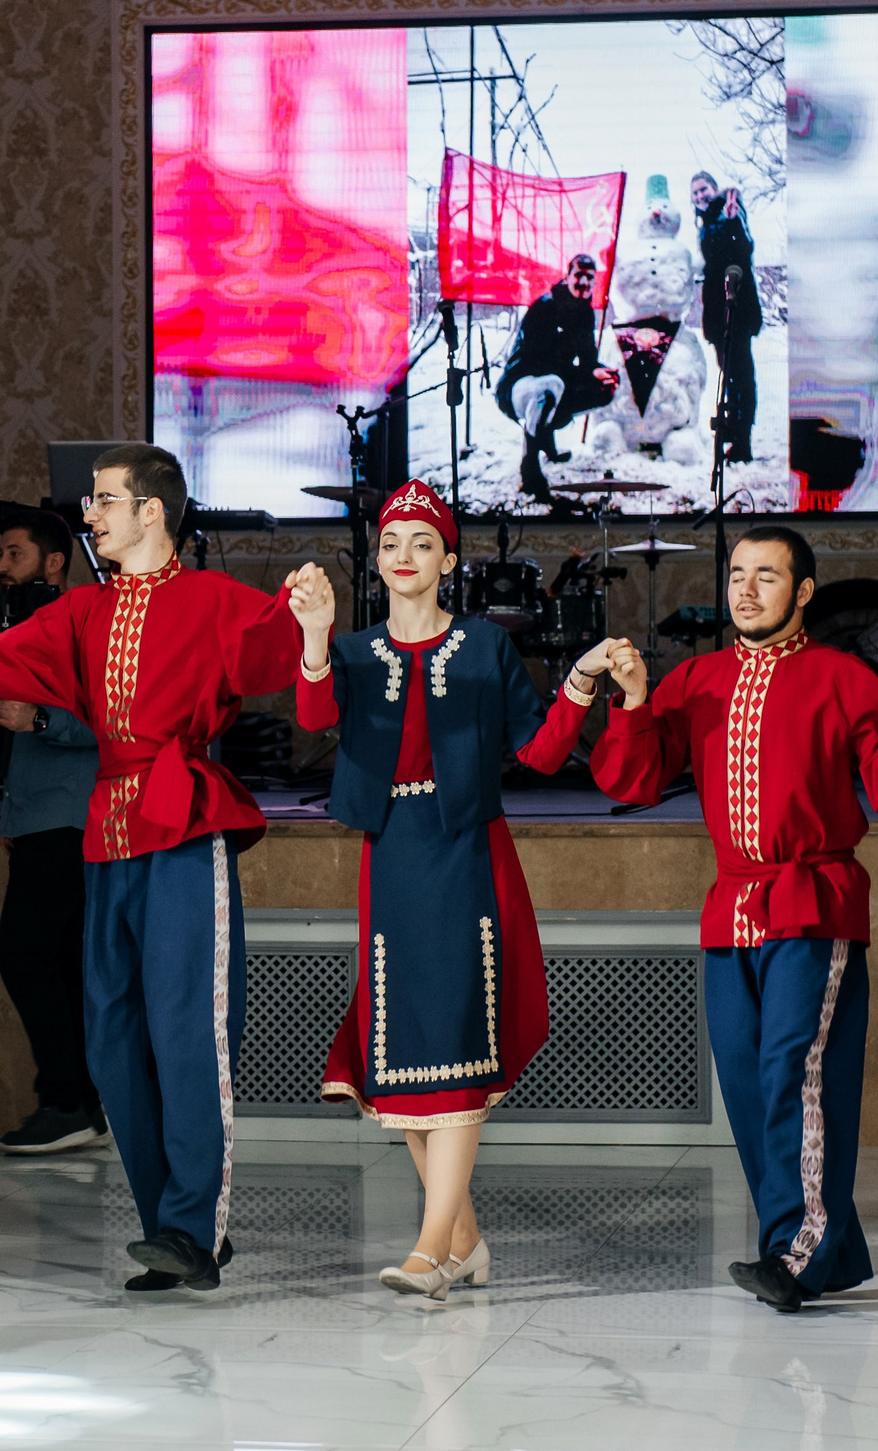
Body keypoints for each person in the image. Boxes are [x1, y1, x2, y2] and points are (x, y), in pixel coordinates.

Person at [0, 443, 314, 1292]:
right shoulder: (84, 611)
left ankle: (195, 1226)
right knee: (114, 1041)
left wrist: (310, 616)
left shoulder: (214, 599)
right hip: (107, 830)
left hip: (182, 821)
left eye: (106, 499)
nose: (91, 513)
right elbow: (11, 661)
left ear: (153, 511)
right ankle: (167, 1230)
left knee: (188, 1032)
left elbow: (272, 655)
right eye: (92, 501)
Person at [590, 523, 878, 1313]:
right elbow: (633, 776)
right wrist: (634, 701)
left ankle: (798, 1256)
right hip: (733, 908)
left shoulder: (844, 676)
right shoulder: (699, 677)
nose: (745, 588)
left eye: (766, 575)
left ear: (804, 593)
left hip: (813, 902)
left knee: (797, 1072)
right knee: (750, 1085)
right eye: (737, 574)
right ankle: (822, 1243)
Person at [287, 480, 626, 1300]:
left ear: (449, 557)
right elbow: (311, 714)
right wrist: (313, 634)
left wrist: (579, 682)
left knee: (459, 1037)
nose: (403, 555)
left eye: (422, 542)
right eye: (391, 542)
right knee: (402, 1049)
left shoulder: (482, 647)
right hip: (390, 856)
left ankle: (432, 1244)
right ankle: (467, 1238)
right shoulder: (358, 652)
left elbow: (540, 755)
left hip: (465, 853)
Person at [0, 505, 106, 1155]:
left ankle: (64, 1099)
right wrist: (12, 816)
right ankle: (81, 1101)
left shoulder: (82, 623)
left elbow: (108, 721)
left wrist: (37, 723)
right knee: (59, 963)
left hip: (69, 816)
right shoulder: (26, 626)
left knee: (23, 954)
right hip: (38, 816)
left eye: (14, 554)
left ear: (54, 561)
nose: (2, 566)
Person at [493, 253, 618, 503]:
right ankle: (530, 469)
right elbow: (539, 362)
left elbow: (587, 359)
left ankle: (550, 436)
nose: (583, 283)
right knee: (550, 386)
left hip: (554, 381)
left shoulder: (585, 313)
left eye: (589, 278)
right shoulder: (546, 307)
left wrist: (599, 371)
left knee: (604, 387)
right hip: (519, 385)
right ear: (567, 276)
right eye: (578, 276)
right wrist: (583, 371)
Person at [690, 172, 763, 465]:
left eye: (703, 189)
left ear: (714, 188)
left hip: (737, 306)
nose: (700, 196)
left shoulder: (731, 211)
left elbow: (744, 250)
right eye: (694, 193)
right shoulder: (706, 222)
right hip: (719, 311)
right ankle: (732, 430)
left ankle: (743, 441)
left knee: (742, 374)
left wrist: (732, 220)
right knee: (729, 372)